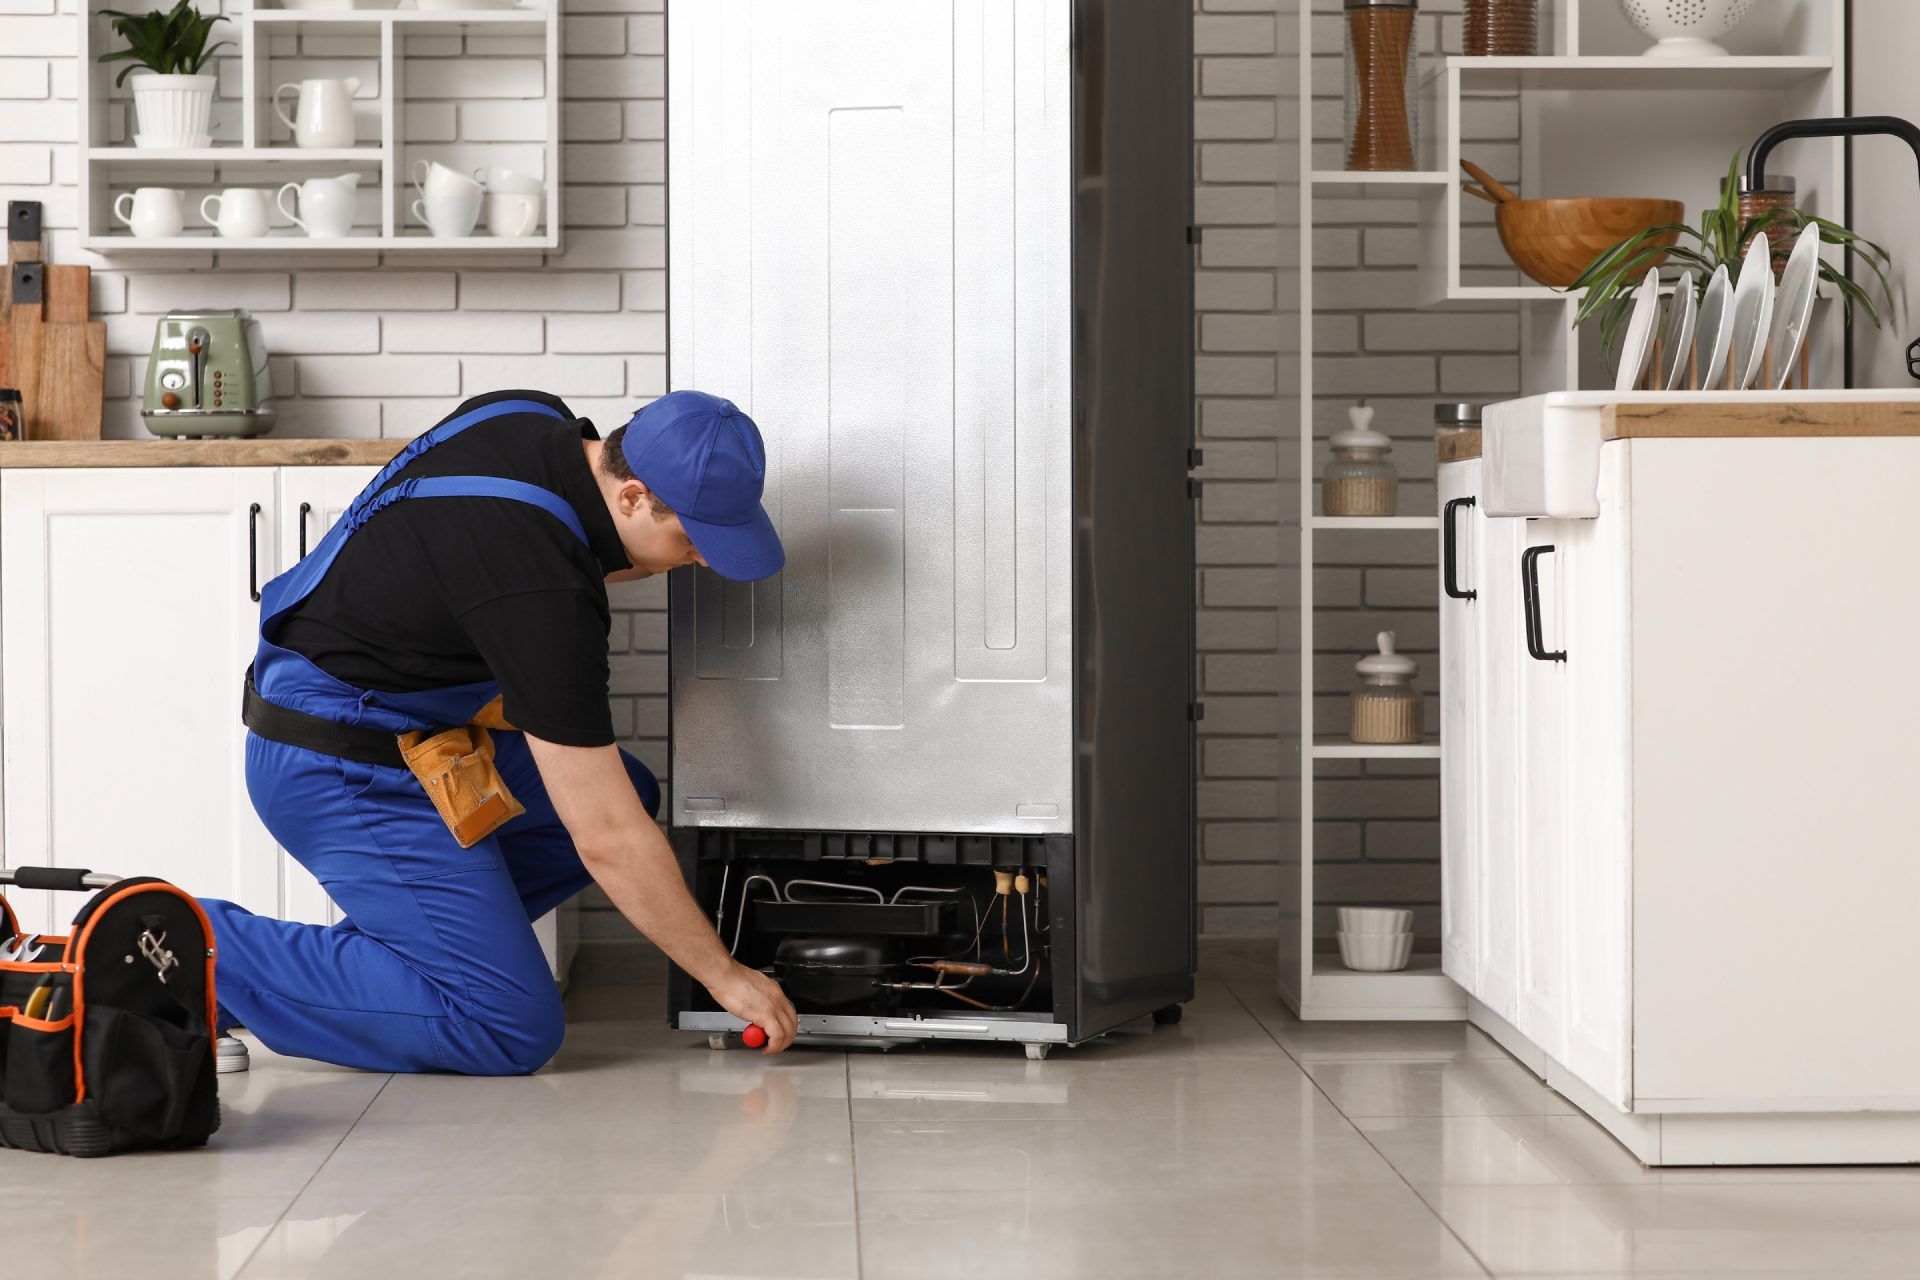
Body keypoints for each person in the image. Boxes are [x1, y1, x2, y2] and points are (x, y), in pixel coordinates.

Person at [201, 388, 799, 1075]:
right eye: (691, 540)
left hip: (395, 731)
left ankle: (368, 968)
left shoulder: (526, 415)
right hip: (338, 766)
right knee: (507, 1025)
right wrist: (723, 975)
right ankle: (188, 942)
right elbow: (604, 836)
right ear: (631, 495)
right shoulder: (542, 590)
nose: (697, 560)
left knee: (628, 788)